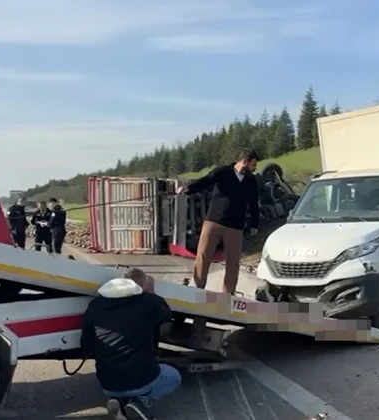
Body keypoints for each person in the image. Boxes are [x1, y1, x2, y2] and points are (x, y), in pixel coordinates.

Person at [81, 267, 180, 420]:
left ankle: (118, 400)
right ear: (140, 286)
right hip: (141, 378)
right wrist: (151, 293)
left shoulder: (95, 306)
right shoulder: (147, 302)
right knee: (173, 377)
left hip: (107, 383)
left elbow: (86, 345)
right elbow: (167, 314)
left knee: (122, 378)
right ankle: (139, 403)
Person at [176, 149, 264, 297]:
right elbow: (206, 180)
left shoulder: (251, 180)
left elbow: (254, 202)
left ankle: (228, 294)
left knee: (233, 262)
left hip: (235, 226)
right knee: (203, 255)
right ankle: (197, 288)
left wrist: (255, 224)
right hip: (214, 221)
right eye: (253, 165)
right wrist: (188, 189)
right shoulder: (223, 172)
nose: (254, 168)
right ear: (244, 161)